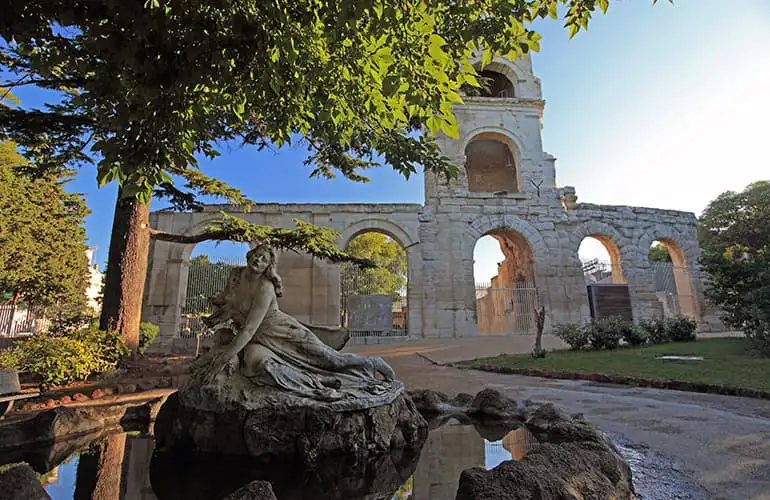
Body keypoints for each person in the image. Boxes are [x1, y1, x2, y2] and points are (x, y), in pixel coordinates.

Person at [201, 244, 395, 402]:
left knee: (331, 359)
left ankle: (372, 362)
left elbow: (250, 327)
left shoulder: (265, 288)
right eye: (256, 255)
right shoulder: (235, 276)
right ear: (249, 255)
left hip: (282, 332)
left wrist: (225, 356)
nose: (258, 260)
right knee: (260, 366)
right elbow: (229, 299)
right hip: (257, 340)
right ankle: (320, 381)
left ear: (268, 267)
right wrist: (215, 316)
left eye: (264, 259)